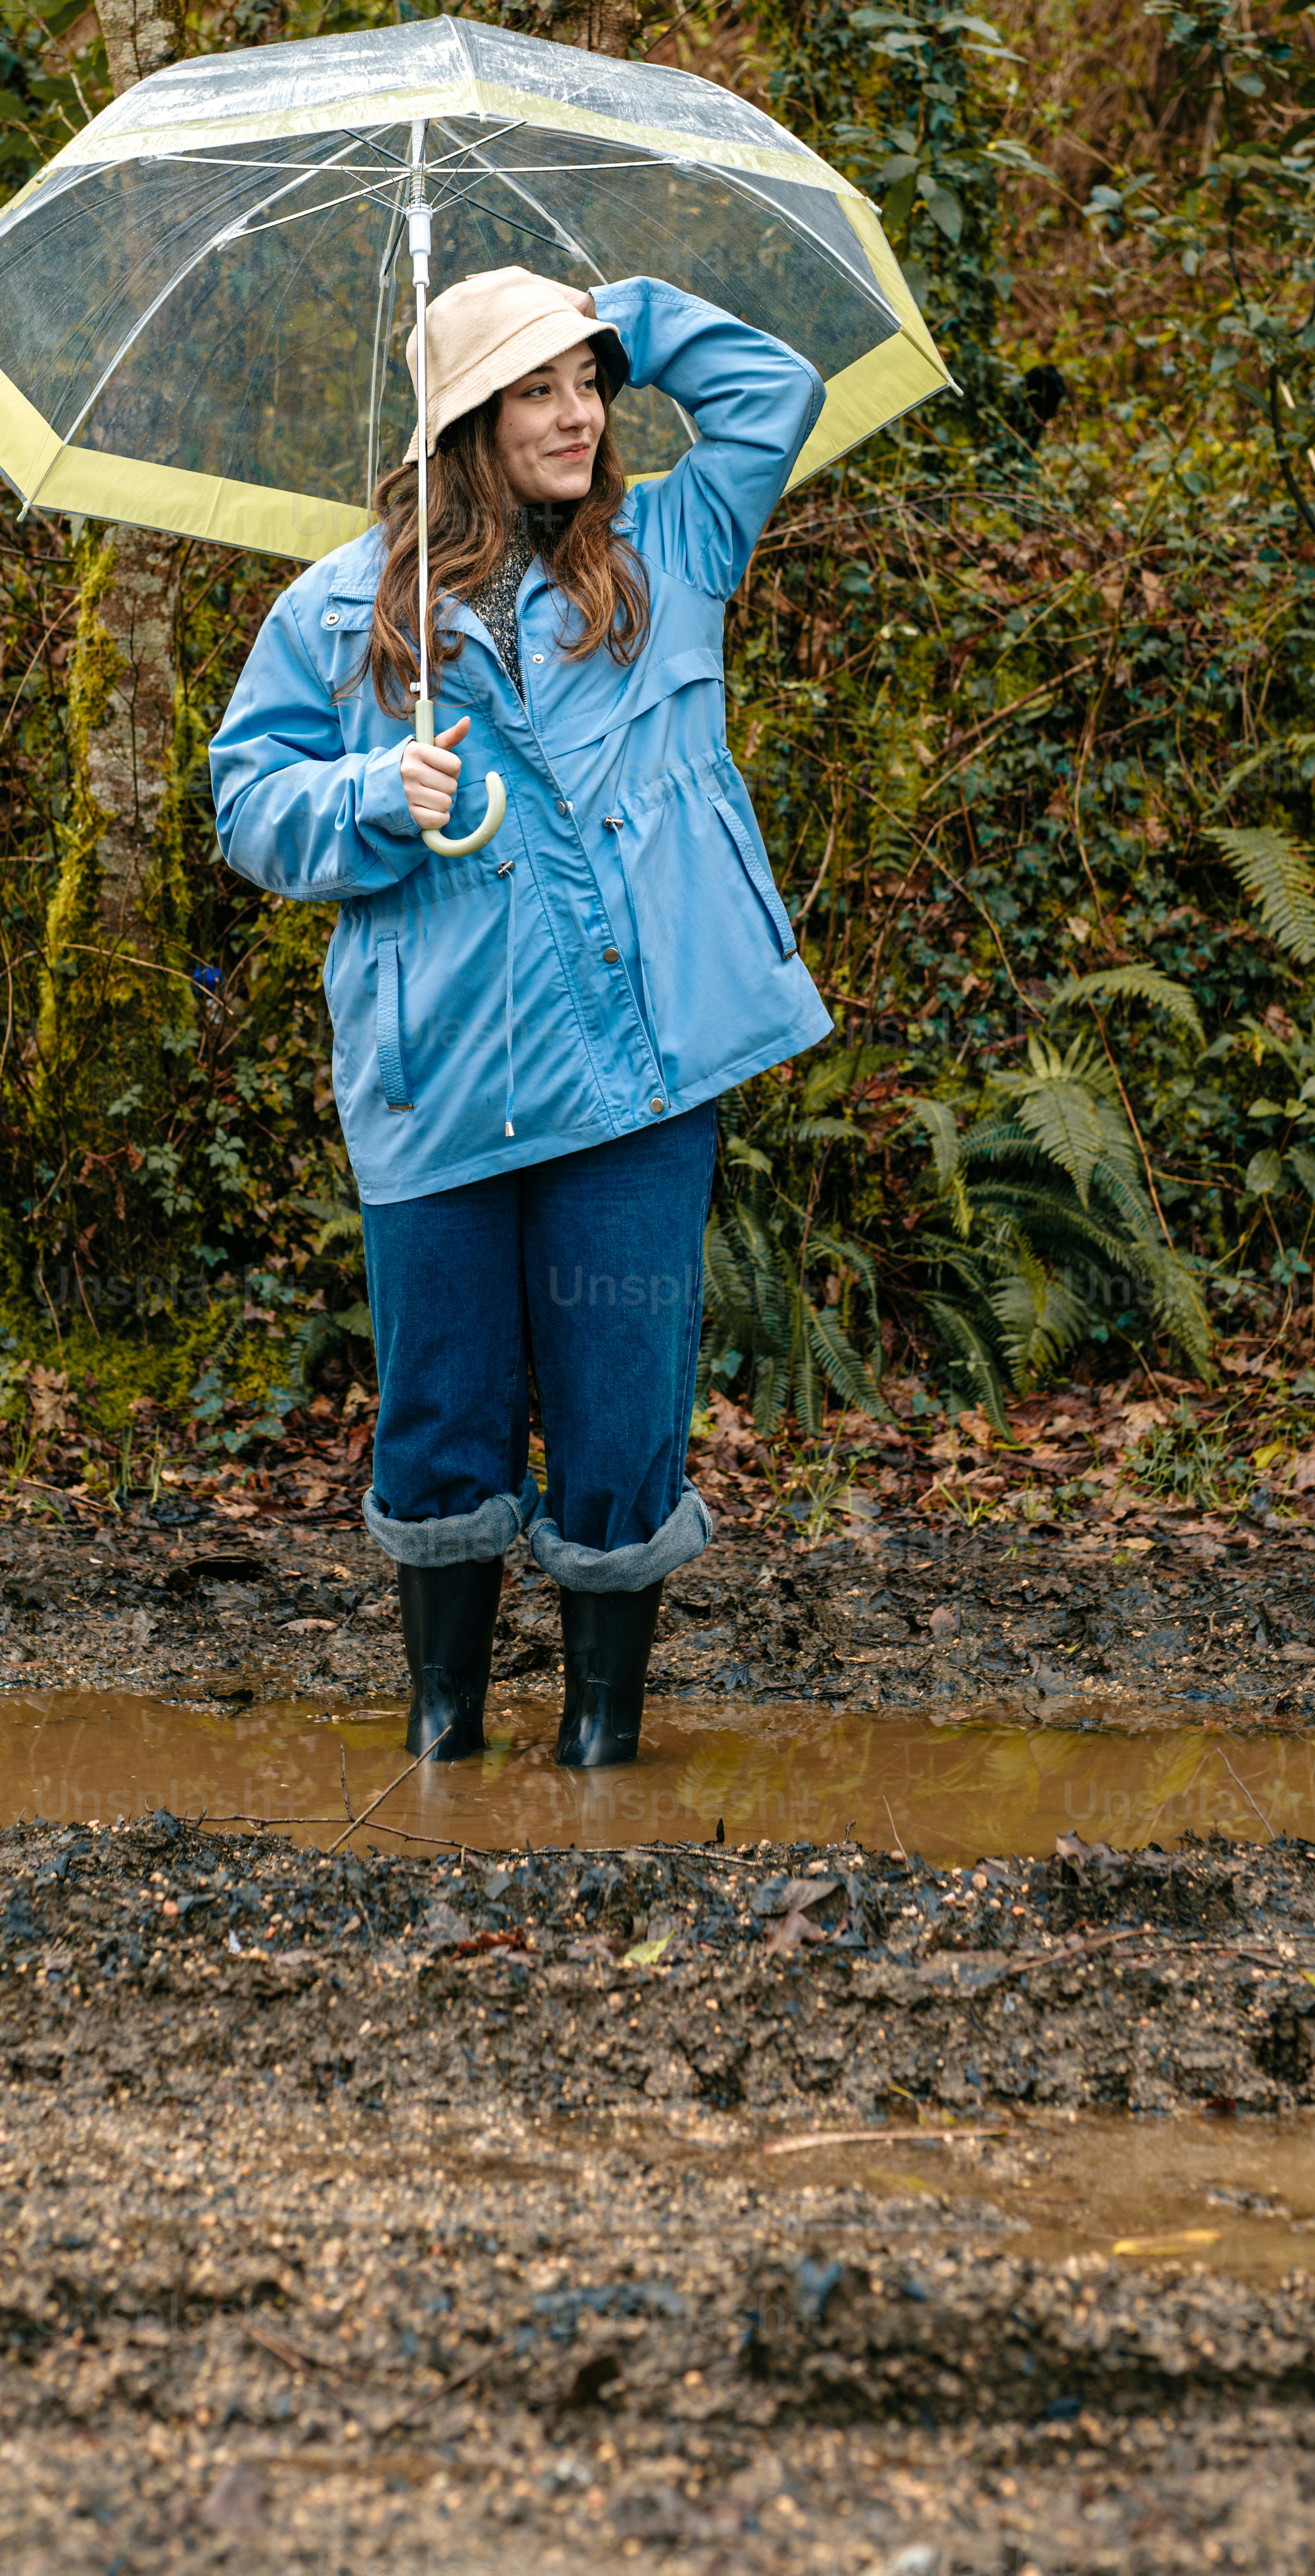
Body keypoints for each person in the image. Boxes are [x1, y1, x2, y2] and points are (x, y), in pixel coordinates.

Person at [209, 266, 830, 1767]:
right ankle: (445, 1737)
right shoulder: (347, 608)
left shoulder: (670, 550)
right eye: (535, 389)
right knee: (441, 1409)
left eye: (588, 383)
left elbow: (774, 397)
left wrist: (610, 307)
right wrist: (369, 793)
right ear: (464, 423)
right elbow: (247, 800)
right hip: (440, 1075)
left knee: (623, 1414)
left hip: (638, 1070)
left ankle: (603, 1738)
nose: (578, 415)